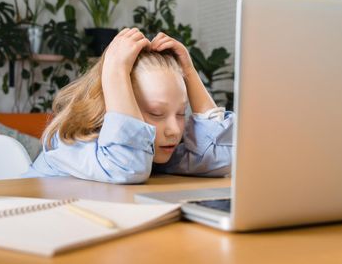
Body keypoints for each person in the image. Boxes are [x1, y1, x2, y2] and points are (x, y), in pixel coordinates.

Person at [24, 28, 234, 183]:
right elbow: (127, 167)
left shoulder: (150, 149)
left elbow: (218, 159)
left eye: (180, 113)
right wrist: (114, 71)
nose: (174, 130)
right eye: (156, 113)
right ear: (114, 106)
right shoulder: (74, 144)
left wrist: (189, 71)